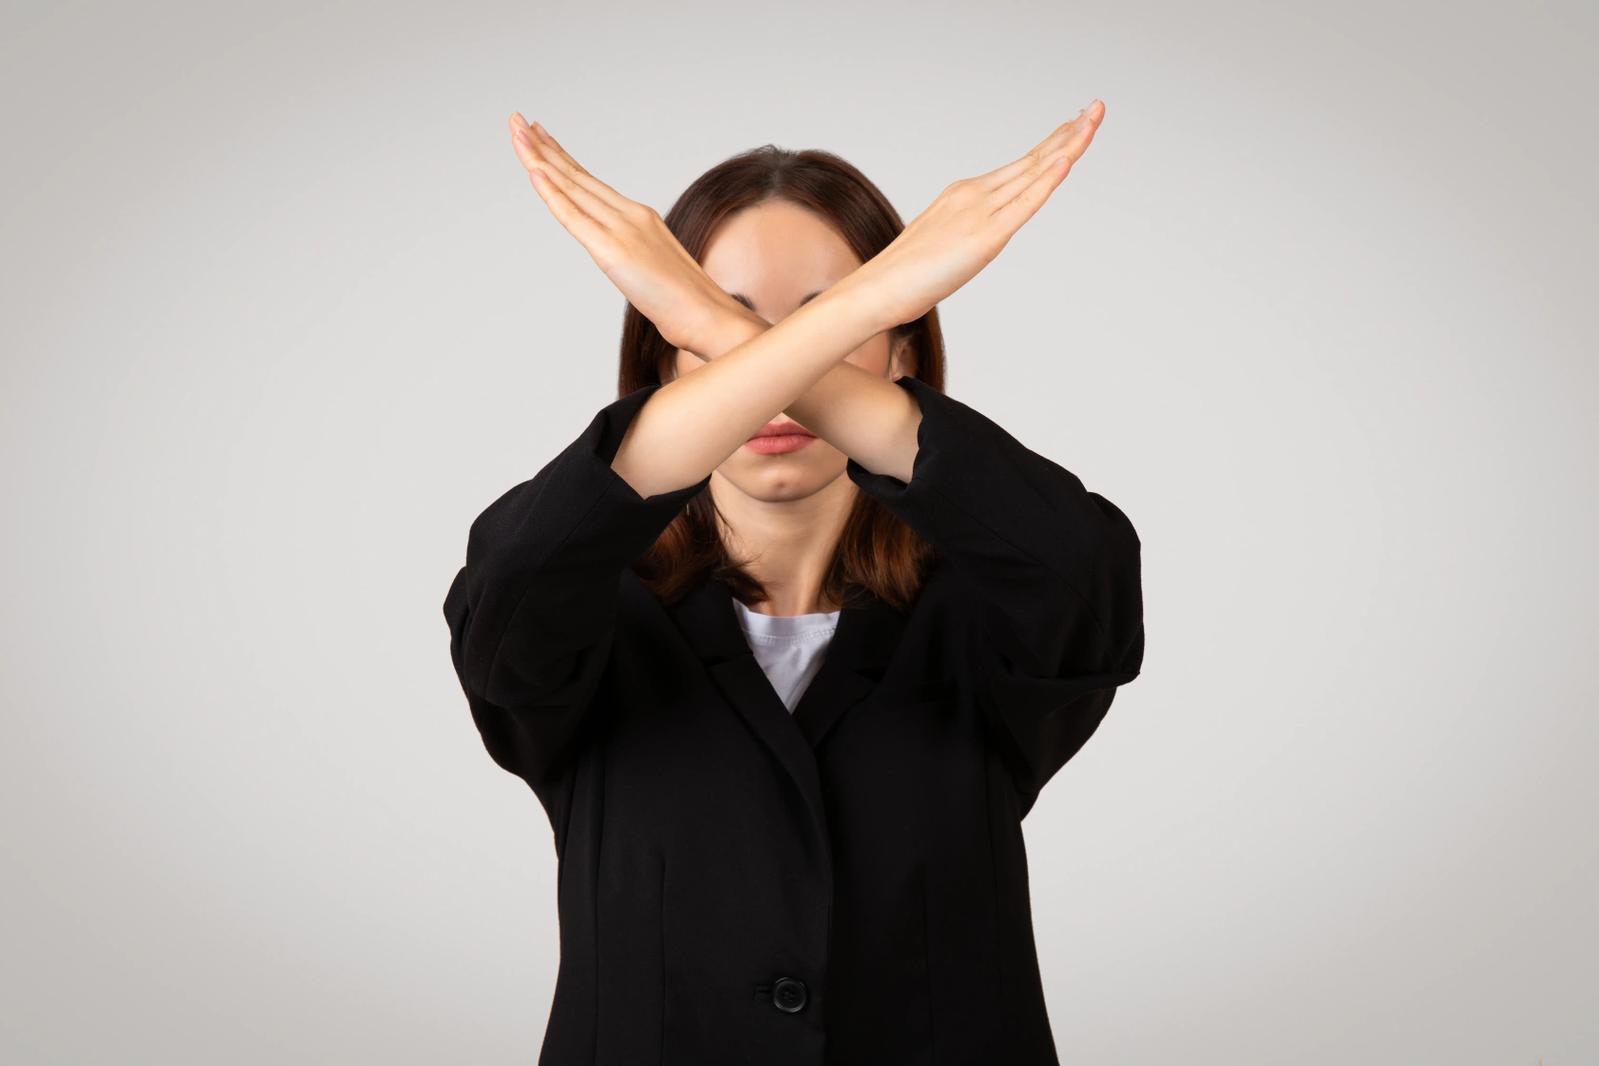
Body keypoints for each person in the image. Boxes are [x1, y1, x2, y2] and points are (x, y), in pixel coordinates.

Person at [442, 101, 1144, 1066]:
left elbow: (1083, 571)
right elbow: (510, 590)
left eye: (833, 319)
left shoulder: (987, 605)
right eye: (719, 321)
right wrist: (854, 310)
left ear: (906, 352)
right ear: (661, 361)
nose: (771, 375)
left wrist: (723, 332)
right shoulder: (584, 610)